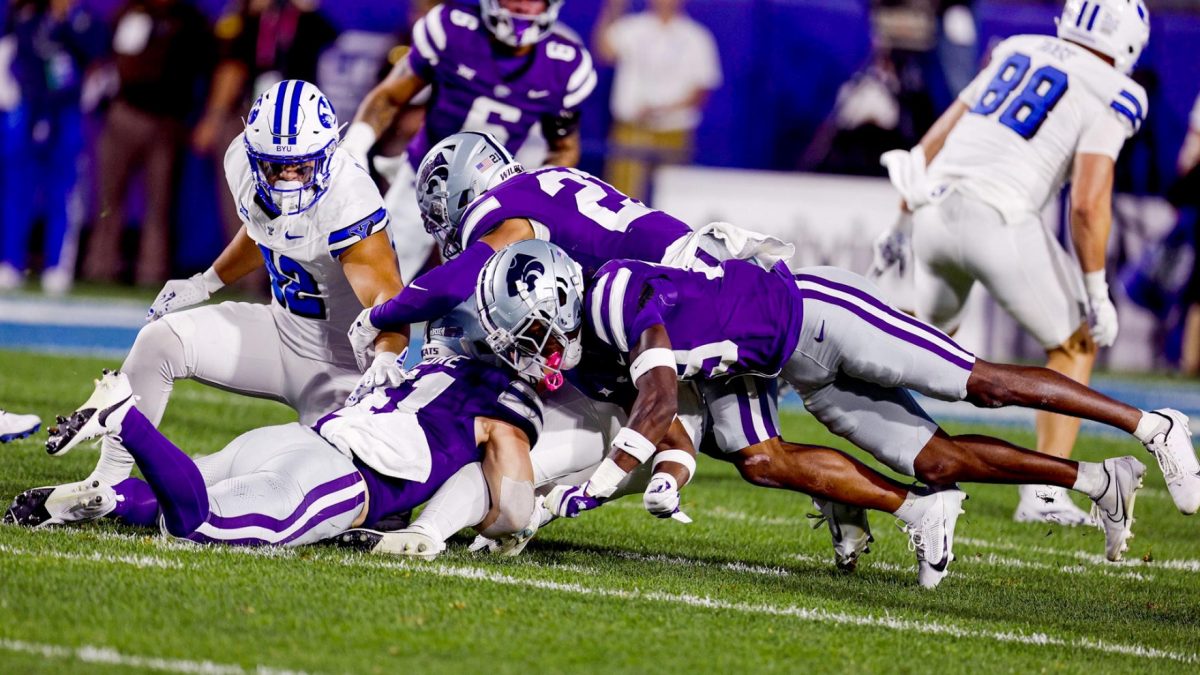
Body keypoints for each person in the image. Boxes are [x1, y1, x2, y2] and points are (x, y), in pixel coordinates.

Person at [547, 257, 1200, 585]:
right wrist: (663, 471)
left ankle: (1150, 425)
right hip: (792, 365)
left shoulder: (620, 302)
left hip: (821, 311)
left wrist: (593, 487)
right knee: (935, 464)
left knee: (984, 384)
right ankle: (1098, 479)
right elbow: (673, 415)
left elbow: (658, 402)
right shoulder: (607, 323)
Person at [42, 80, 407, 511]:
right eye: (275, 167)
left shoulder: (350, 201)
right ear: (256, 157)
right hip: (281, 331)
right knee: (160, 341)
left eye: (301, 168)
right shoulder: (241, 161)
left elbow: (389, 303)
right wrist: (206, 281)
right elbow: (264, 231)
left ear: (327, 156)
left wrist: (385, 359)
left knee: (328, 489)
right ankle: (104, 483)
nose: (287, 179)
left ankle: (187, 482)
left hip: (343, 368)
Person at [883, 0, 1152, 525]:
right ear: (1127, 41)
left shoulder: (1015, 47)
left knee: (915, 347)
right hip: (1000, 218)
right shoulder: (1117, 88)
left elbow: (931, 143)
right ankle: (1045, 492)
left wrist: (897, 224)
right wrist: (1097, 292)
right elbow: (1088, 202)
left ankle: (804, 366)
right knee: (1075, 343)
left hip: (935, 212)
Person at [4, 355, 543, 552]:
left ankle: (113, 499)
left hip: (290, 440)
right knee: (195, 525)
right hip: (334, 478)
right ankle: (125, 417)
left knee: (186, 488)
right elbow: (511, 510)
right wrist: (528, 515)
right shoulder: (505, 408)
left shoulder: (430, 365)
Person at [340, 0, 597, 283]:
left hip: (492, 195)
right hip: (421, 178)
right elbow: (389, 97)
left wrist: (536, 198)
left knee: (481, 297)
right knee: (379, 281)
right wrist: (353, 148)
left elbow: (563, 147)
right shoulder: (452, 28)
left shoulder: (566, 63)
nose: (523, 7)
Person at [82, 0, 217, 285]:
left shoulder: (191, 20)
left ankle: (152, 274)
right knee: (109, 197)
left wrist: (199, 115)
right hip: (125, 112)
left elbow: (207, 69)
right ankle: (100, 268)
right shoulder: (131, 12)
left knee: (160, 204)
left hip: (167, 122)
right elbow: (105, 53)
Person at [191, 0, 339, 244]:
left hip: (294, 125)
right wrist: (214, 118)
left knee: (292, 200)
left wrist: (306, 9)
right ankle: (248, 277)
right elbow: (230, 67)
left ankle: (287, 273)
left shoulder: (307, 21)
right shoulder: (244, 19)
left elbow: (328, 37)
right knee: (241, 202)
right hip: (246, 117)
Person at [0, 0, 106, 295]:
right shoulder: (26, 15)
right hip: (29, 109)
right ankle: (10, 261)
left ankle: (57, 265)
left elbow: (95, 61)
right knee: (17, 189)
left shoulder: (85, 22)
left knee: (64, 191)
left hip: (66, 112)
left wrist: (66, 21)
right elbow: (14, 57)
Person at [592, 0, 721, 201]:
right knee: (621, 199)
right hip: (632, 130)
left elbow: (702, 89)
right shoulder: (633, 27)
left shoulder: (696, 37)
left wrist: (661, 110)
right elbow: (605, 52)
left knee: (672, 198)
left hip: (673, 132)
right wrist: (614, 7)